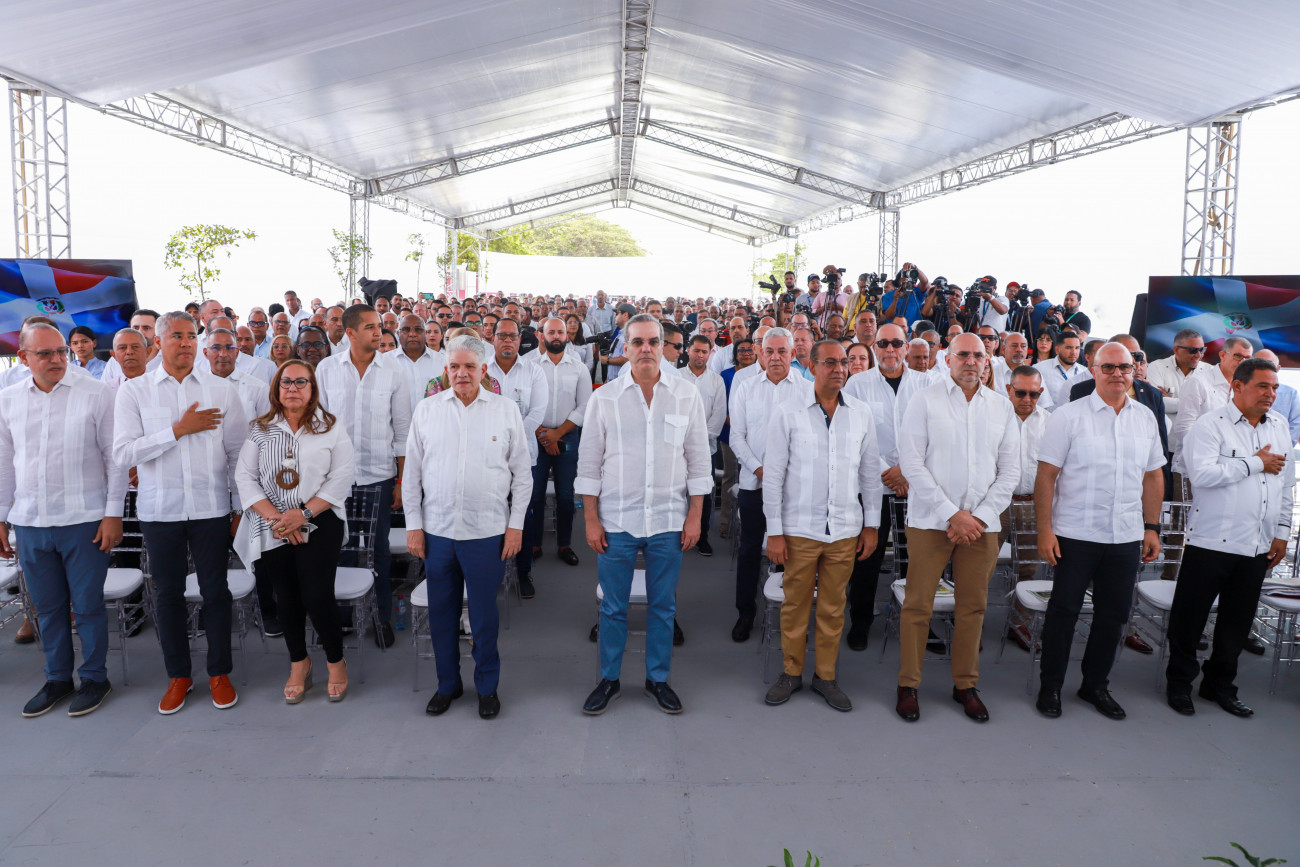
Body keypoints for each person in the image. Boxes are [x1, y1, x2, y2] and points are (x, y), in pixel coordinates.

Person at [113, 311, 247, 714]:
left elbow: (238, 453)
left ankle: (220, 673)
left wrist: (239, 507)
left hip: (210, 508)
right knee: (167, 594)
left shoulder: (220, 389)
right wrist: (177, 430)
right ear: (158, 342)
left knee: (216, 592)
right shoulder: (135, 392)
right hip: (160, 510)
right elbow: (123, 453)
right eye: (176, 336)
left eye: (191, 335)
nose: (186, 342)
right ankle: (179, 676)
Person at [577, 314, 711, 716]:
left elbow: (698, 462)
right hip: (617, 520)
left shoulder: (686, 395)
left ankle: (657, 679)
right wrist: (591, 519)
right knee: (613, 607)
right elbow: (589, 466)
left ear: (665, 346)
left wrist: (695, 516)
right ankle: (609, 678)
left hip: (668, 520)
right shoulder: (604, 399)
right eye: (637, 342)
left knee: (663, 606)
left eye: (653, 341)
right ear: (626, 348)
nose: (646, 349)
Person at [1033, 343, 1165, 720]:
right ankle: (1051, 686)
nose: (1117, 374)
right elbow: (1046, 476)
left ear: (1134, 371)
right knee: (1064, 612)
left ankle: (1094, 685)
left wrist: (1151, 527)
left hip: (1125, 535)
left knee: (1114, 616)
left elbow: (1153, 476)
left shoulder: (1144, 418)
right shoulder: (1068, 416)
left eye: (1125, 367)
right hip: (1075, 534)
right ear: (1092, 370)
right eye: (1108, 367)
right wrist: (1045, 530)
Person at [0, 324, 124, 717]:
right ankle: (57, 679)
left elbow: (115, 459)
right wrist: (1, 516)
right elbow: (5, 464)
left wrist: (113, 514)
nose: (57, 359)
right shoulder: (8, 400)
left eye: (61, 351)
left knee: (87, 606)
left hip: (85, 520)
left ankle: (94, 678)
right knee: (48, 607)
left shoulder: (96, 393)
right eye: (45, 354)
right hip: (30, 522)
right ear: (23, 358)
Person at [896, 333, 1018, 723]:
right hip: (931, 522)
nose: (970, 361)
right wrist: (953, 514)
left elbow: (1010, 471)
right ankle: (908, 684)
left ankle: (965, 684)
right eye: (962, 354)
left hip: (981, 526)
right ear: (946, 359)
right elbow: (912, 463)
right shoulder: (924, 400)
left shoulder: (1001, 407)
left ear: (987, 361)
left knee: (973, 605)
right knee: (918, 605)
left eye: (978, 355)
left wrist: (977, 518)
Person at [406, 335, 529, 720]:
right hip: (438, 533)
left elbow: (523, 475)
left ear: (483, 370)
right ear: (446, 370)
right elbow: (412, 475)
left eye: (470, 367)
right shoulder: (427, 410)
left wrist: (515, 527)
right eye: (455, 367)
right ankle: (448, 685)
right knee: (441, 616)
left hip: (487, 533)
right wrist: (413, 526)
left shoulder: (505, 411)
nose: (462, 373)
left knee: (483, 617)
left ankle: (487, 688)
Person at [1166, 358, 1292, 718]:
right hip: (1211, 542)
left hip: (1257, 545)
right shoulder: (1210, 425)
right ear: (1237, 386)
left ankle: (1219, 686)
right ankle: (1180, 684)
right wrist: (1255, 462)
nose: (1271, 394)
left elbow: (1286, 485)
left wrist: (1282, 532)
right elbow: (1202, 476)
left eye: (1274, 387)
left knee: (1236, 624)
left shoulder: (1280, 425)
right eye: (1263, 386)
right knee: (1189, 620)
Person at [763, 340, 881, 710]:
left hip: (845, 529)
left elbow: (869, 474)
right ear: (812, 366)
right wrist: (774, 531)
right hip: (799, 529)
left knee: (833, 607)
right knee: (795, 605)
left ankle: (826, 676)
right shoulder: (788, 412)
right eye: (830, 362)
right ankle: (791, 672)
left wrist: (872, 525)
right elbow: (773, 476)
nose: (839, 369)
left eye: (844, 362)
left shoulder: (861, 413)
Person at [235, 360, 355, 703]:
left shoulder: (330, 427)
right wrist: (278, 519)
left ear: (312, 389)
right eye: (286, 382)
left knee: (317, 596)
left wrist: (301, 514)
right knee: (285, 598)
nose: (293, 388)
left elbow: (342, 476)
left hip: (320, 519)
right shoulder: (260, 428)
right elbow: (245, 476)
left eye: (301, 382)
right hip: (273, 524)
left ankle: (335, 661)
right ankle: (299, 663)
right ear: (276, 389)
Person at [315, 304, 411, 649]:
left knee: (378, 549)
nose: (378, 332)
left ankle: (380, 616)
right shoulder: (327, 369)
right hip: (335, 477)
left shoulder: (393, 370)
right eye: (370, 327)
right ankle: (341, 618)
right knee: (338, 547)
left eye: (379, 326)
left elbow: (402, 430)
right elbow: (318, 425)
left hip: (378, 475)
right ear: (350, 333)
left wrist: (400, 481)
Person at [841, 323, 926, 649]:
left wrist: (907, 472)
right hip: (873, 486)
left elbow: (934, 435)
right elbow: (854, 434)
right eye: (884, 343)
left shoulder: (926, 384)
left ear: (907, 346)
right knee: (868, 557)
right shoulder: (857, 384)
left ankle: (918, 624)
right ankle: (860, 622)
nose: (890, 349)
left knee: (917, 560)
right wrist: (887, 473)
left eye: (896, 343)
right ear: (874, 347)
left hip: (916, 487)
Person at [728, 328, 810, 642]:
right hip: (754, 482)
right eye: (770, 351)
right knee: (750, 549)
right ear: (761, 354)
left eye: (782, 351)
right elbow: (737, 437)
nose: (775, 357)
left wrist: (784, 474)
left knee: (793, 551)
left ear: (793, 354)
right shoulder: (746, 388)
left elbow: (812, 440)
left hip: (794, 488)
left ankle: (791, 614)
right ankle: (745, 612)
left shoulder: (807, 390)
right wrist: (760, 469)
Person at [487, 318, 548, 598]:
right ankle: (491, 569)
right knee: (492, 511)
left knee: (524, 512)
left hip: (525, 456)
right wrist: (496, 442)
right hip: (488, 456)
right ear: (493, 338)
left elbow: (537, 413)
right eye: (502, 336)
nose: (508, 341)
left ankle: (523, 571)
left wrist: (509, 441)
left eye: (513, 336)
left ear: (520, 340)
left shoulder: (534, 371)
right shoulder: (482, 369)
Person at [527, 318, 591, 568]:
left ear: (567, 336)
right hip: (535, 436)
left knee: (566, 496)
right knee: (535, 494)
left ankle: (564, 544)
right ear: (541, 335)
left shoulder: (578, 368)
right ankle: (534, 545)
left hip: (568, 436)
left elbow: (584, 406)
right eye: (551, 332)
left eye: (560, 332)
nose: (556, 336)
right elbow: (523, 405)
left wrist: (557, 434)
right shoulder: (529, 365)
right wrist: (544, 434)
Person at [680, 334, 727, 557]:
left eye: (704, 352)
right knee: (677, 492)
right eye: (696, 350)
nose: (700, 355)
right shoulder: (676, 377)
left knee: (704, 493)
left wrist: (697, 440)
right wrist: (681, 440)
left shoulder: (717, 381)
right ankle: (676, 533)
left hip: (706, 449)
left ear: (710, 354)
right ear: (688, 350)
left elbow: (718, 416)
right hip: (676, 448)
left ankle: (702, 537)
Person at [394, 315, 444, 413]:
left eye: (418, 330)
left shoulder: (442, 361)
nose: (412, 334)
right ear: (398, 334)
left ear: (425, 333)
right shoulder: (386, 361)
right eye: (406, 330)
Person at [1034, 331, 1086, 407]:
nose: (1074, 352)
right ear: (1057, 349)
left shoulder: (1085, 372)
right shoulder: (1039, 369)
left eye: (1077, 348)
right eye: (1069, 347)